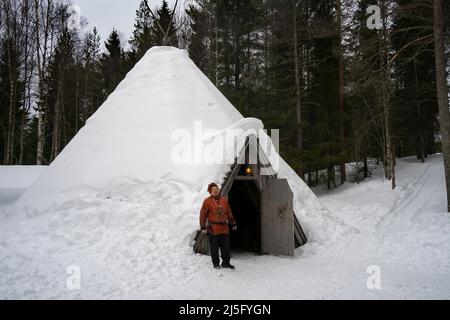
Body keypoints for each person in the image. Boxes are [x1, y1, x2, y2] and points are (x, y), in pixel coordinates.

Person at [199, 183, 237, 269]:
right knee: (214, 248)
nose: (216, 191)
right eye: (213, 189)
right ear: (210, 192)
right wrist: (203, 227)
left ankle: (226, 263)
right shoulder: (207, 201)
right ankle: (216, 263)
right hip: (213, 228)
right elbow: (203, 214)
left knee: (225, 247)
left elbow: (229, 212)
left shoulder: (224, 200)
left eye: (217, 189)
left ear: (219, 190)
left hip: (224, 228)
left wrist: (233, 223)